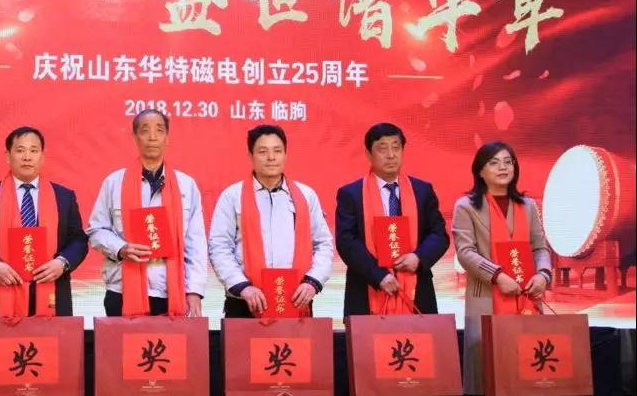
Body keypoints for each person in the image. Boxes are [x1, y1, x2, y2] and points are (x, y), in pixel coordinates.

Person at [453, 141, 551, 396]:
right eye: (494, 163)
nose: (503, 168)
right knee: (489, 373)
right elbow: (465, 252)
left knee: (530, 366)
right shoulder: (466, 206)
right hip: (487, 296)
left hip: (526, 296)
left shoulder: (528, 205)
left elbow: (540, 247)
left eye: (508, 162)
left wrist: (543, 274)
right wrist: (497, 275)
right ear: (480, 171)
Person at [87, 109, 207, 316]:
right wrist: (121, 248)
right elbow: (96, 230)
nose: (152, 137)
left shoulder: (186, 185)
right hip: (122, 290)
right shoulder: (114, 182)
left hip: (171, 292)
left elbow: (196, 243)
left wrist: (194, 290)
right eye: (145, 130)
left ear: (167, 138)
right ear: (135, 137)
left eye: (159, 130)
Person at [0, 127, 89, 317]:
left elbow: (78, 240)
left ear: (42, 156)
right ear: (7, 156)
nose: (27, 157)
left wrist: (62, 263)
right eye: (20, 150)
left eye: (33, 150)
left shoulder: (63, 197)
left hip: (51, 293)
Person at [209, 125, 334, 317]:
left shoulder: (306, 195)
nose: (271, 157)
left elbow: (323, 244)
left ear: (285, 154)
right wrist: (242, 287)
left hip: (295, 299)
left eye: (277, 150)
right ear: (250, 155)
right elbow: (219, 247)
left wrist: (313, 282)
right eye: (263, 151)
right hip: (245, 301)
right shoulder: (232, 196)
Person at [335, 122, 450, 315]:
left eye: (396, 148)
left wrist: (418, 258)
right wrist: (378, 275)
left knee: (420, 336)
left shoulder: (422, 190)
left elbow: (439, 235)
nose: (391, 155)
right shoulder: (351, 194)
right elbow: (347, 242)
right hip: (367, 289)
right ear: (368, 154)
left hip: (417, 291)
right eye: (382, 148)